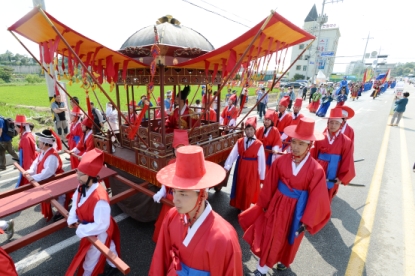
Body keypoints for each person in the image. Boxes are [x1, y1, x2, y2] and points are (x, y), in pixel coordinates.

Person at [239, 118, 331, 274]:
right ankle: (262, 268)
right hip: (277, 205)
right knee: (271, 234)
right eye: (294, 142)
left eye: (301, 144)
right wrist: (263, 204)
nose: (295, 147)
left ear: (310, 145)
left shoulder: (316, 170)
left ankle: (283, 260)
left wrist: (307, 221)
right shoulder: (280, 162)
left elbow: (318, 198)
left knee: (290, 238)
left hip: (298, 209)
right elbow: (270, 184)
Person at [150, 145, 243, 275]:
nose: (175, 199)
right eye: (174, 191)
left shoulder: (225, 238)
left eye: (183, 194)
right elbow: (160, 259)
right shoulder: (172, 216)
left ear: (202, 194)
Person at [66, 149, 121, 276]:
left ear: (91, 176)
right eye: (77, 173)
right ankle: (114, 265)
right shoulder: (82, 185)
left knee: (91, 256)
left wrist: (81, 229)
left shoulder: (99, 198)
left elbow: (101, 225)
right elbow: (76, 201)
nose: (77, 177)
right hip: (92, 224)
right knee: (109, 246)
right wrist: (72, 217)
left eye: (81, 175)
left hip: (99, 228)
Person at [311, 107, 355, 202]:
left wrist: (342, 177)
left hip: (334, 169)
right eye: (331, 122)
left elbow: (348, 159)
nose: (333, 125)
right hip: (319, 168)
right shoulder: (320, 137)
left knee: (328, 193)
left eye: (336, 123)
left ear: (341, 124)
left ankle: (323, 212)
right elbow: (313, 154)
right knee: (313, 192)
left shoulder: (346, 141)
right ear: (327, 123)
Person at [152, 129, 189, 242]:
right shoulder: (171, 163)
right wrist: (161, 192)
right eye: (177, 148)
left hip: (184, 202)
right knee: (165, 230)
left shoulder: (191, 164)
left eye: (182, 148)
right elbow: (167, 182)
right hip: (169, 200)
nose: (179, 151)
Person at [224, 117, 266, 211]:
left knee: (248, 188)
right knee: (240, 185)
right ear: (245, 130)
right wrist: (227, 166)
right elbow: (233, 154)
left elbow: (262, 161)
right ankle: (239, 204)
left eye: (251, 129)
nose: (249, 132)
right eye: (247, 129)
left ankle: (245, 206)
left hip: (252, 169)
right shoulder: (240, 141)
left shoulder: (259, 144)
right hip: (241, 166)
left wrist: (261, 175)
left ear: (254, 130)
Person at [24, 129, 64, 221]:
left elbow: (48, 172)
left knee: (59, 197)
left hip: (55, 179)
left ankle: (61, 211)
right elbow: (36, 162)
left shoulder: (52, 155)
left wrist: (33, 177)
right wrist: (30, 171)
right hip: (47, 179)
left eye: (40, 142)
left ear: (46, 143)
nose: (39, 143)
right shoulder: (43, 152)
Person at [14, 115, 38, 187]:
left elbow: (28, 155)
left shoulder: (25, 138)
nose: (15, 128)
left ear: (21, 127)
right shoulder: (28, 135)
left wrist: (27, 169)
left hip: (27, 163)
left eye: (16, 126)